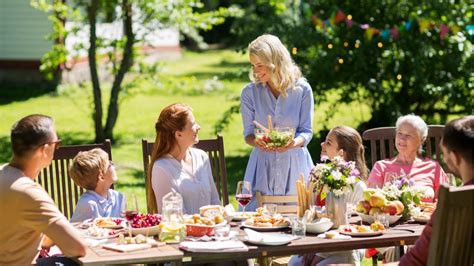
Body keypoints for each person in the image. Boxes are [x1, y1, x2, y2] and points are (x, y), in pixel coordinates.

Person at [240, 34, 314, 211]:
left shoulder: (302, 90)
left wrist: (293, 143)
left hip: (295, 166)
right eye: (253, 65)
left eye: (260, 65)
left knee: (297, 218)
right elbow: (248, 133)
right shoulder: (249, 93)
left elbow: (306, 131)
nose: (256, 71)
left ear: (275, 62)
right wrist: (256, 141)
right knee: (257, 220)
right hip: (262, 166)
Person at [0, 114, 86, 265]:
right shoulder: (27, 192)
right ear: (44, 149)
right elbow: (77, 248)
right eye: (57, 144)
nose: (57, 148)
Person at [399, 115, 474, 265]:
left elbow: (414, 261)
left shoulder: (456, 204)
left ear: (455, 157)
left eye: (445, 154)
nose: (445, 160)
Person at [289, 126, 368, 266]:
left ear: (341, 153)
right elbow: (309, 218)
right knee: (294, 264)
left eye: (328, 143)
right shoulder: (317, 177)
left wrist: (321, 253)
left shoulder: (356, 186)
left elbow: (355, 230)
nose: (322, 144)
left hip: (346, 247)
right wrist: (310, 248)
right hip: (316, 242)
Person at [147, 103, 220, 214]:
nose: (198, 127)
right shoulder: (162, 169)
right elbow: (174, 216)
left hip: (212, 229)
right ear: (179, 134)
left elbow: (215, 201)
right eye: (193, 124)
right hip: (183, 231)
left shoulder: (201, 157)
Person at [367, 114, 448, 201]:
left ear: (422, 140)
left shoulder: (433, 167)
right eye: (399, 133)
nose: (402, 139)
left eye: (408, 135)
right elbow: (373, 201)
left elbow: (445, 201)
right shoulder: (381, 167)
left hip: (427, 214)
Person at [69, 148, 125, 222]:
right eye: (110, 164)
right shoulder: (88, 204)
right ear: (101, 177)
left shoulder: (119, 197)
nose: (113, 165)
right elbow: (76, 229)